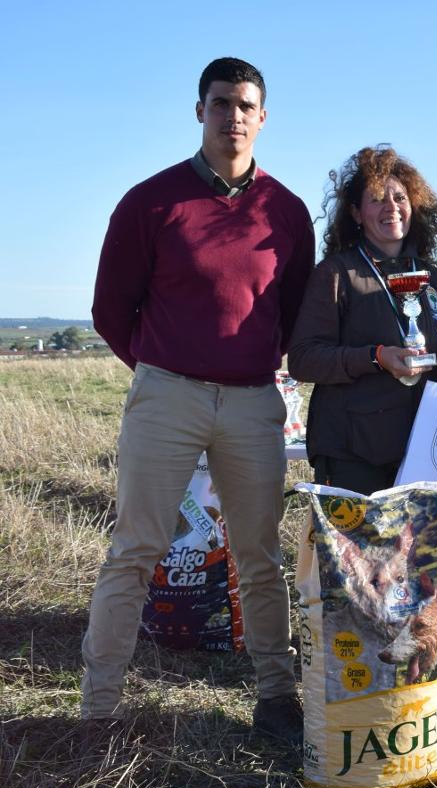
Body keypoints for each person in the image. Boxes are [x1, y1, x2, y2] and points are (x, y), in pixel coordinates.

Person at [85, 57, 314, 744]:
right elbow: (108, 309)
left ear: (263, 117)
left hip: (252, 404)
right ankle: (98, 709)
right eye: (221, 104)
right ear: (199, 111)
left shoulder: (288, 211)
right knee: (136, 548)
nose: (233, 116)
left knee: (259, 556)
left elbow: (298, 316)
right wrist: (165, 371)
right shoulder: (151, 201)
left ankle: (277, 696)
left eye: (246, 105)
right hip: (168, 398)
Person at [287, 146, 437, 495]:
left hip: (420, 453)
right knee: (359, 553)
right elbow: (303, 359)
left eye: (399, 197)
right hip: (353, 455)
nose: (391, 207)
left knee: (420, 553)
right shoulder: (335, 275)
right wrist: (376, 357)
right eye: (377, 199)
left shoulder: (432, 279)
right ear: (356, 213)